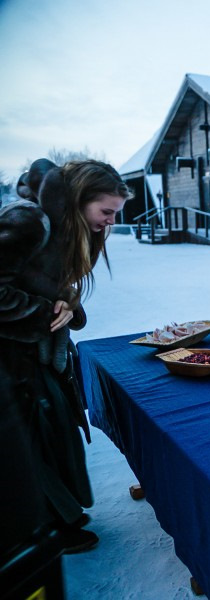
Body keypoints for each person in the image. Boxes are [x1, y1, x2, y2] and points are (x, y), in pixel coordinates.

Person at [0, 159, 130, 554]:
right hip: (10, 361)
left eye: (115, 214)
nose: (109, 222)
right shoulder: (27, 222)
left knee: (52, 434)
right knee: (26, 445)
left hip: (37, 355)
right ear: (78, 199)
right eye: (105, 212)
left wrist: (70, 309)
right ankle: (43, 532)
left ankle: (56, 520)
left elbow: (58, 293)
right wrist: (43, 315)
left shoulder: (67, 230)